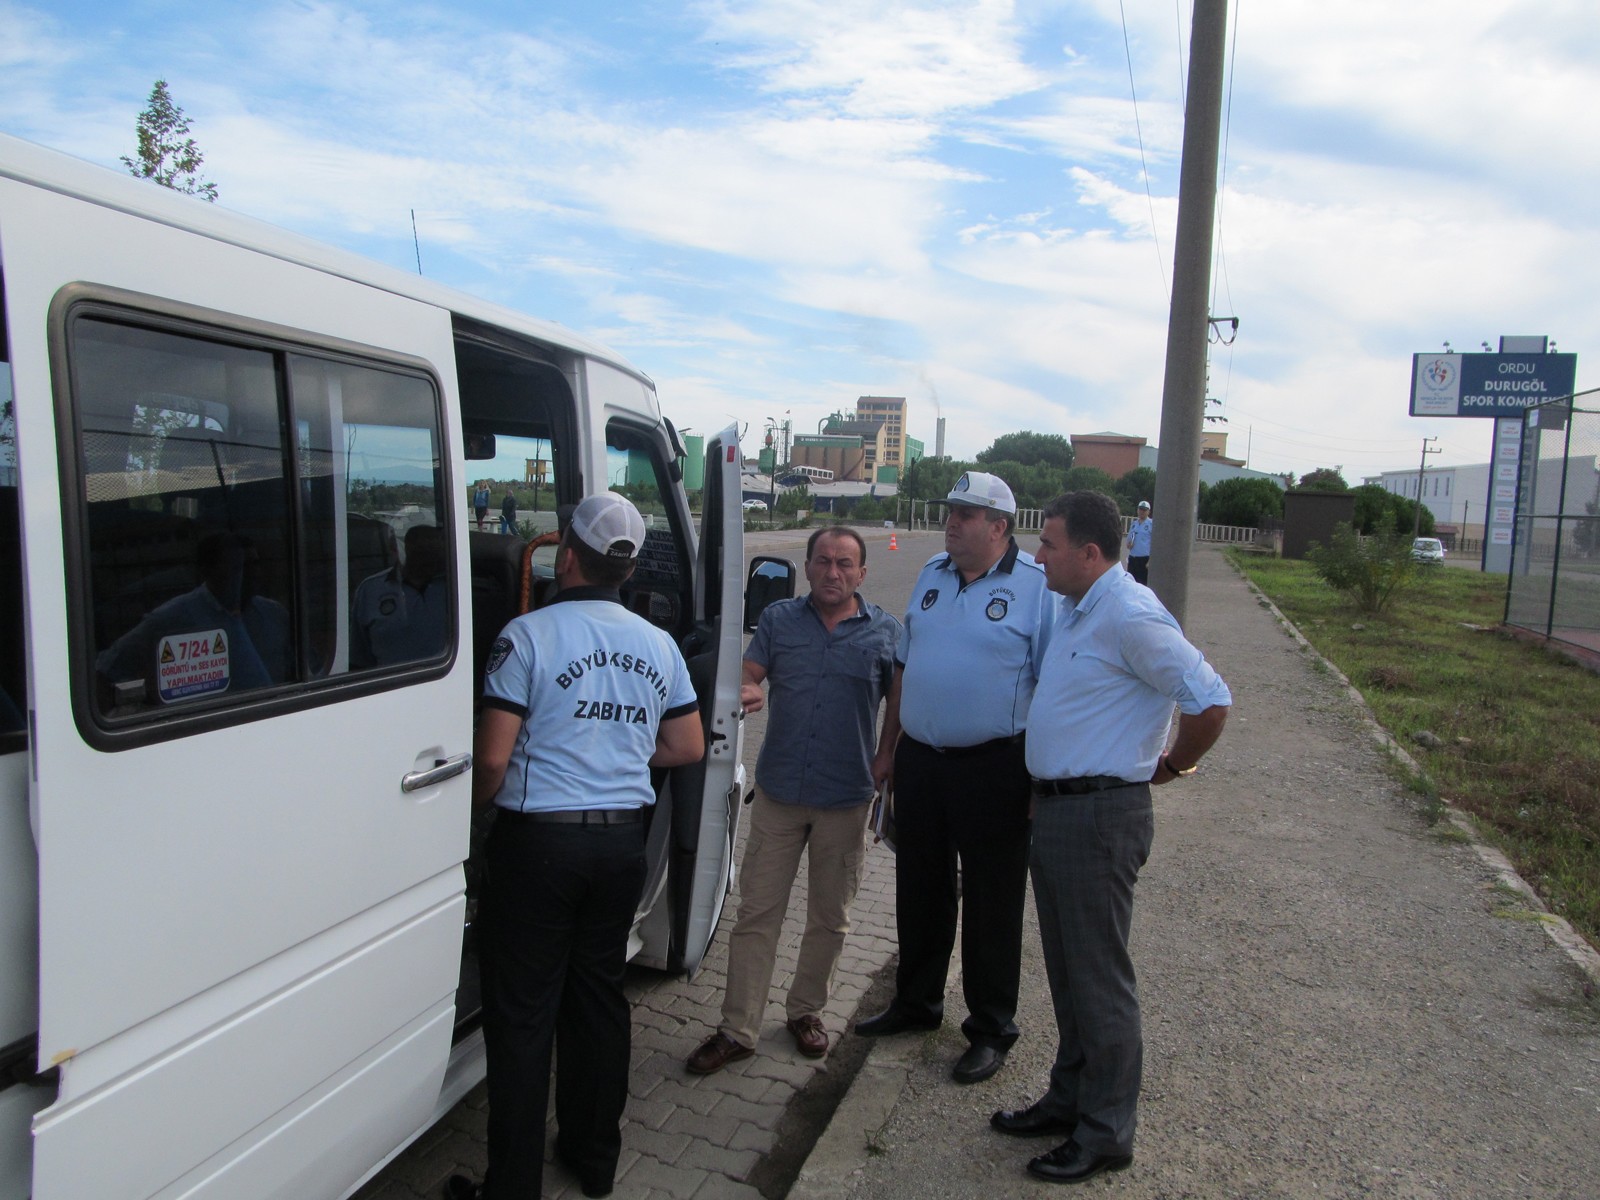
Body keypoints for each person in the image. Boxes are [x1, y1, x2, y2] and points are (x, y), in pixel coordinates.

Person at [451, 493, 705, 1200]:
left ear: (566, 556)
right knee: (597, 1000)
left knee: (525, 1016)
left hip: (541, 849)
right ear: (626, 569)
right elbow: (685, 745)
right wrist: (614, 750)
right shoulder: (658, 644)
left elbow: (494, 761)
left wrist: (462, 824)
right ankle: (593, 1160)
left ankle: (511, 1188)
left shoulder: (527, 636)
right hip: (620, 844)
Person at [992, 490, 1230, 1186]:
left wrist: (1176, 763)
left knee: (1099, 981)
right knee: (1068, 974)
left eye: (1050, 544)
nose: (1038, 555)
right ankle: (1070, 1099)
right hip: (1063, 811)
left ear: (1090, 554)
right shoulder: (1074, 607)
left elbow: (1210, 699)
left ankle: (1106, 1132)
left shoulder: (1129, 613)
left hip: (1100, 816)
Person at [857, 471, 1053, 1086]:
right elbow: (904, 667)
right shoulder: (934, 573)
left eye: (967, 514)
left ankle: (991, 1027)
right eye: (951, 511)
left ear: (1000, 526)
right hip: (921, 760)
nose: (952, 522)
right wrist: (888, 750)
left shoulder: (1037, 588)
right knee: (920, 888)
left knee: (993, 900)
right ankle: (916, 1003)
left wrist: (1040, 779)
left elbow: (1051, 689)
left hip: (996, 767)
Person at [685, 528, 901, 1074]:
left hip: (847, 797)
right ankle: (738, 1028)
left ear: (862, 573)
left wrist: (885, 759)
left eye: (845, 564)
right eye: (824, 561)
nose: (834, 572)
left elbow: (898, 704)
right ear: (807, 567)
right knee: (756, 914)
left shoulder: (884, 633)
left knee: (830, 918)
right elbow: (748, 674)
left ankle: (806, 1012)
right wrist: (747, 687)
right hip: (780, 793)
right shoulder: (780, 621)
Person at [96, 530, 291, 703]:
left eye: (253, 564)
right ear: (207, 571)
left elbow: (307, 670)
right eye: (237, 566)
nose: (250, 574)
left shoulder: (273, 613)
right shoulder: (172, 617)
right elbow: (106, 668)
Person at [349, 522, 449, 668]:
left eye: (430, 548)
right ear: (396, 549)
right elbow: (359, 660)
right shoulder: (370, 590)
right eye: (418, 548)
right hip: (389, 685)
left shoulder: (455, 587)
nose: (424, 555)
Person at [1125, 499, 1152, 585]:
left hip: (1144, 559)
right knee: (1131, 583)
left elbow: (1155, 544)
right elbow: (1128, 541)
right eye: (1140, 509)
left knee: (1142, 583)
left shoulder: (1151, 524)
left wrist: (1150, 560)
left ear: (1148, 511)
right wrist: (1129, 544)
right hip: (1133, 557)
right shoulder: (1134, 524)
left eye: (1144, 510)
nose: (1142, 512)